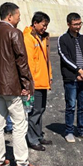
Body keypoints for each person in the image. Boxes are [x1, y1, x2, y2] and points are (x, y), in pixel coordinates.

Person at [0, 2, 41, 166]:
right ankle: (22, 163)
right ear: (9, 16)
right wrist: (26, 85)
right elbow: (21, 61)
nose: (19, 18)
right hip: (13, 88)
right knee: (19, 124)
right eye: (18, 15)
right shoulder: (14, 33)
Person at [58, 12, 83, 143]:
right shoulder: (63, 39)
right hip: (71, 78)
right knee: (71, 106)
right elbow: (64, 57)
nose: (78, 26)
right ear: (68, 24)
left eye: (79, 24)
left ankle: (81, 130)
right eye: (75, 24)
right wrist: (78, 71)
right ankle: (69, 131)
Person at [23, 11, 53, 151]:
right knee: (34, 112)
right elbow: (28, 62)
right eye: (43, 25)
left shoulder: (42, 38)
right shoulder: (28, 38)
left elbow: (46, 60)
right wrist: (29, 82)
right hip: (34, 82)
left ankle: (38, 135)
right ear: (35, 23)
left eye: (46, 25)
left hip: (43, 80)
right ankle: (33, 139)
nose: (45, 28)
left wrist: (49, 76)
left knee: (40, 110)